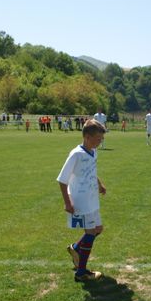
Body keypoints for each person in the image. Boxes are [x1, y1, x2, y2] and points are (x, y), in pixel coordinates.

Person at [57, 119, 107, 282]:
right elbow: (62, 180)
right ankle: (81, 273)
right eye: (98, 139)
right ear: (87, 136)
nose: (100, 142)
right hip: (81, 200)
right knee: (91, 232)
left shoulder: (93, 152)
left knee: (98, 229)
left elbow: (91, 171)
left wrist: (99, 184)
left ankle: (76, 249)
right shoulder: (76, 154)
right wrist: (67, 202)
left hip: (92, 199)